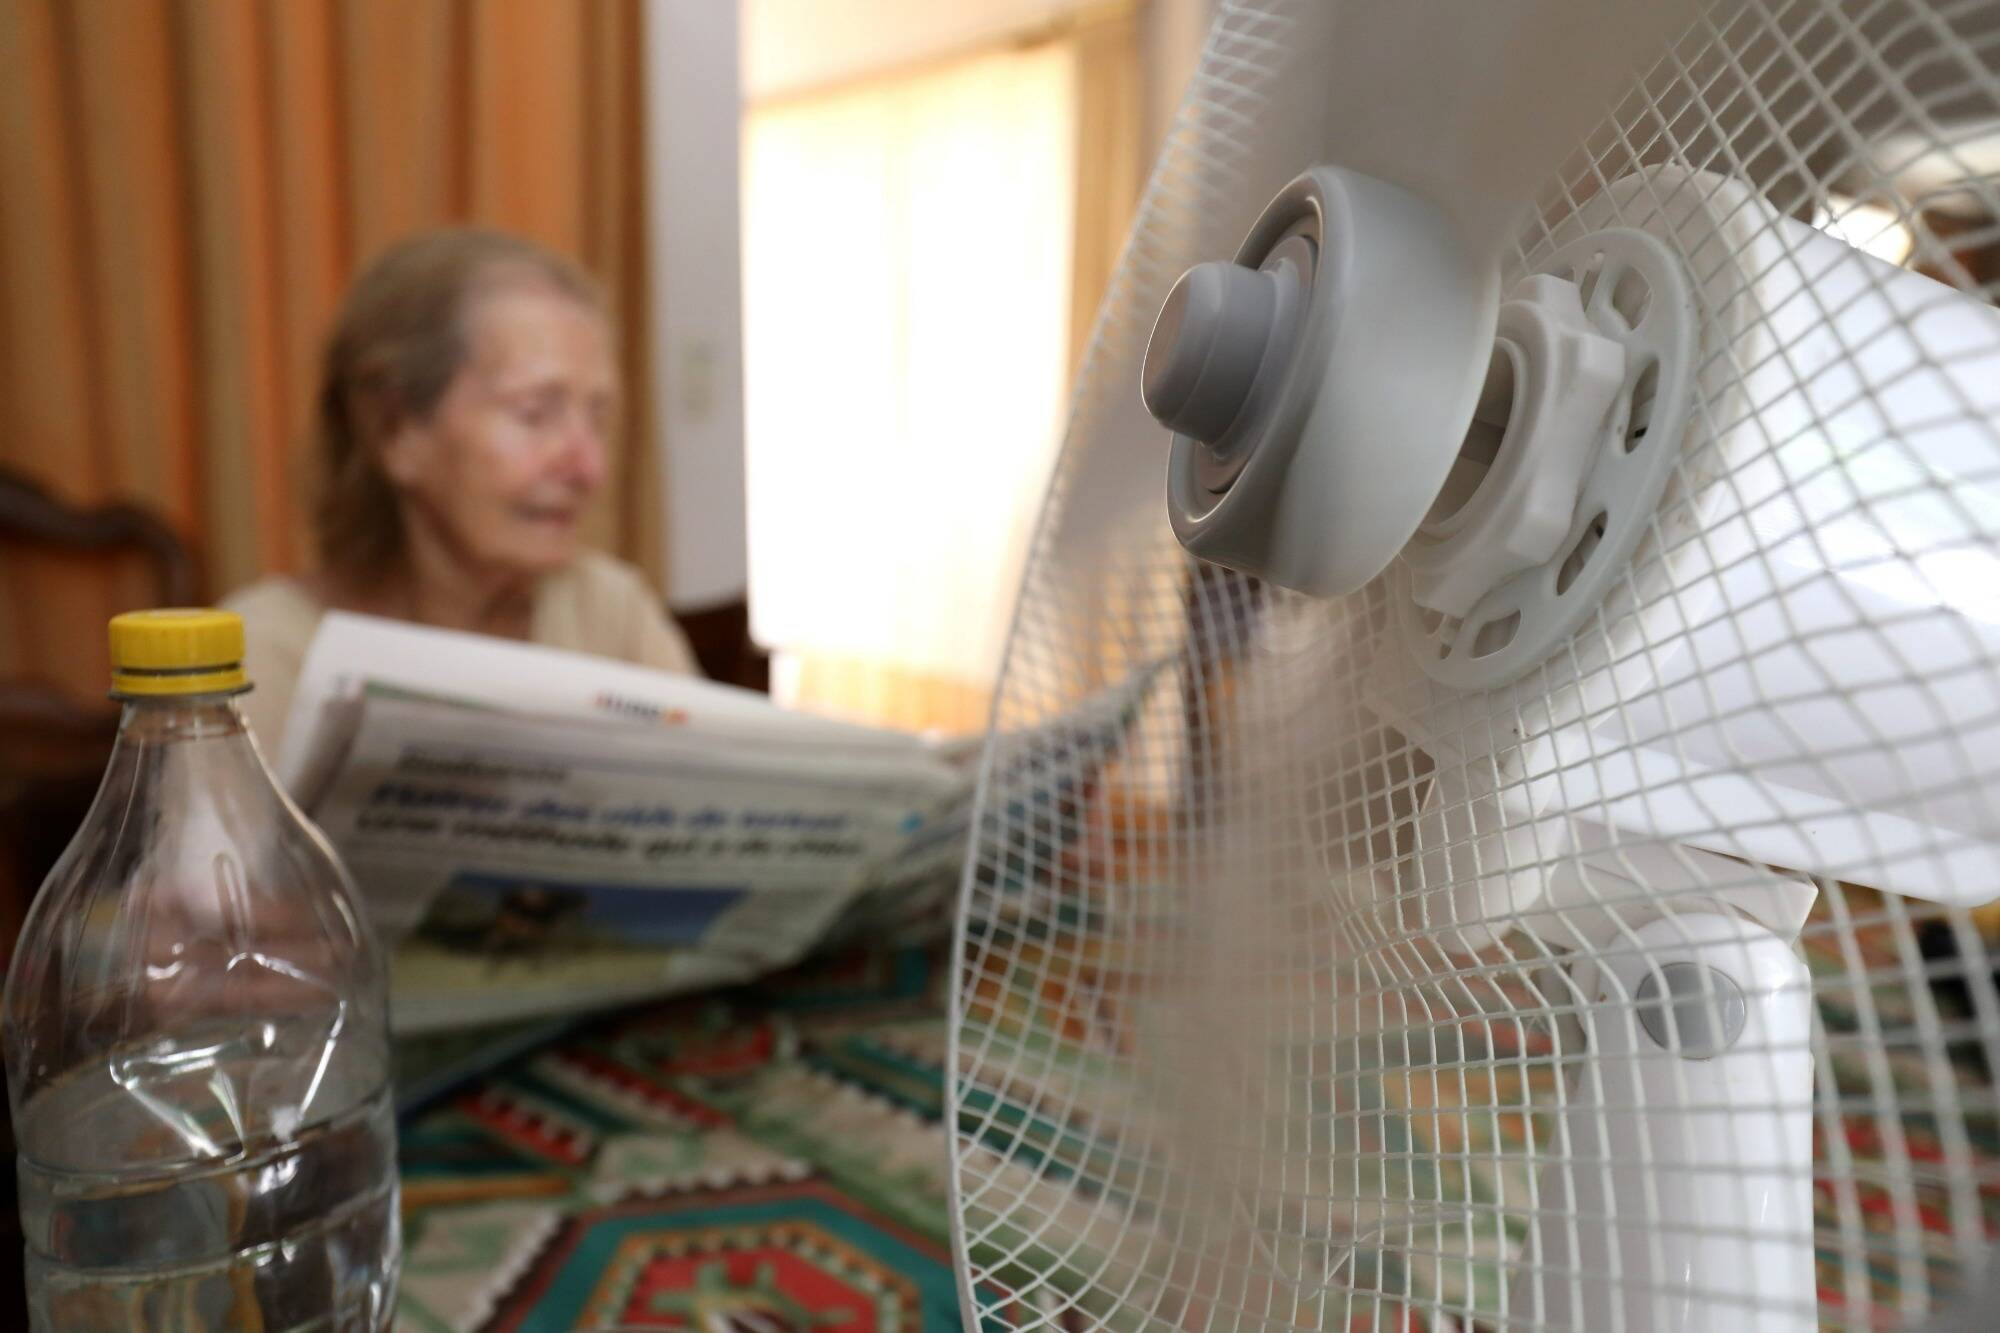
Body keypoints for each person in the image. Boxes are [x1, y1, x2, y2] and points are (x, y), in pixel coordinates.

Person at [225, 229, 697, 753]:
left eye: (598, 419)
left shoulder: (609, 616)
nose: (589, 467)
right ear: (395, 428)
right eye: (534, 413)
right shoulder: (263, 659)